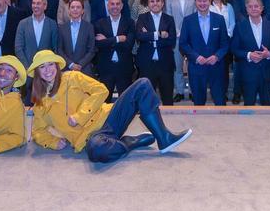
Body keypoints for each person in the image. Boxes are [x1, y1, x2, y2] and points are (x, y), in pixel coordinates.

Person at [28, 51, 192, 163]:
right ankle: (130, 142)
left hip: (109, 117)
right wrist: (53, 141)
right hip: (90, 139)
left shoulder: (72, 77)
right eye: (42, 67)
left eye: (51, 65)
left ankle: (164, 138)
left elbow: (101, 90)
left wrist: (80, 115)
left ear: (56, 66)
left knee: (143, 84)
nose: (48, 70)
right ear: (37, 72)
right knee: (98, 152)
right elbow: (37, 132)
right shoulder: (40, 104)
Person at [179, 0, 230, 106]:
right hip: (197, 67)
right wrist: (196, 57)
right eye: (199, 1)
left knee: (220, 101)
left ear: (210, 1)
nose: (202, 3)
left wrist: (217, 56)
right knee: (198, 102)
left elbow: (225, 43)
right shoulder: (188, 21)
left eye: (205, 1)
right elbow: (183, 44)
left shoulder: (219, 19)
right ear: (195, 2)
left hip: (216, 67)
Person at [231, 0, 270, 105]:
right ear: (246, 9)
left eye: (256, 6)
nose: (253, 9)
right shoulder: (239, 26)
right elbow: (234, 49)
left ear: (262, 8)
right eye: (250, 6)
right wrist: (249, 55)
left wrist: (269, 54)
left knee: (267, 107)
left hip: (267, 73)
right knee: (248, 107)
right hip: (248, 74)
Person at [134, 0, 179, 104]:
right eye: (152, 1)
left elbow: (171, 41)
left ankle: (169, 121)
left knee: (167, 98)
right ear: (148, 4)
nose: (155, 4)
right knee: (146, 99)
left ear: (162, 3)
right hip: (146, 63)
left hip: (165, 63)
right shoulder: (142, 17)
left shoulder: (169, 19)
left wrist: (149, 37)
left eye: (158, 1)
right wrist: (158, 34)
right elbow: (139, 36)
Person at [15, 0, 59, 99]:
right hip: (27, 72)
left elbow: (55, 48)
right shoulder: (23, 23)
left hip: (46, 74)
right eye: (33, 3)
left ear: (45, 6)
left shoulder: (52, 24)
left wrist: (49, 69)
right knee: (26, 104)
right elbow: (18, 47)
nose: (35, 6)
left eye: (38, 3)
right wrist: (27, 67)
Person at [93, 0, 135, 99]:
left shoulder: (130, 23)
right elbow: (98, 44)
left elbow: (128, 45)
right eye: (112, 4)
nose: (115, 7)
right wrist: (117, 39)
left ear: (122, 6)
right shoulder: (99, 23)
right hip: (105, 68)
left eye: (117, 4)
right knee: (104, 102)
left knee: (125, 102)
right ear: (108, 6)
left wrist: (107, 41)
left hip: (124, 67)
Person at [56, 0, 97, 74]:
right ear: (69, 11)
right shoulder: (62, 28)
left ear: (82, 11)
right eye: (72, 7)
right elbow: (59, 49)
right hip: (66, 69)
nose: (75, 9)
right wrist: (70, 64)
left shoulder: (89, 27)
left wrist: (80, 64)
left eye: (78, 7)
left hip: (84, 69)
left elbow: (92, 50)